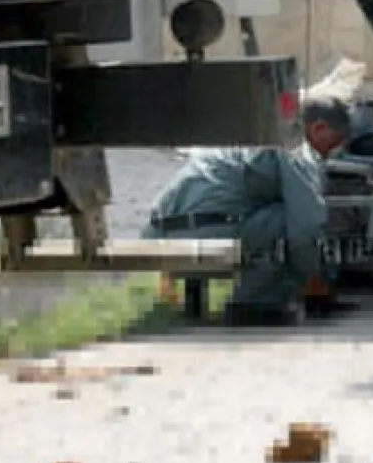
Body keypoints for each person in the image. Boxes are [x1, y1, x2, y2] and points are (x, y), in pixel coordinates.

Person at [141, 97, 352, 326]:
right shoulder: (296, 149)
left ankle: (216, 303)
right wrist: (313, 277)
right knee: (292, 220)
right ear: (317, 128)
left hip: (159, 235)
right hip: (204, 236)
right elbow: (306, 228)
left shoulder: (248, 136)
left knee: (275, 216)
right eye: (334, 142)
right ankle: (253, 304)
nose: (329, 154)